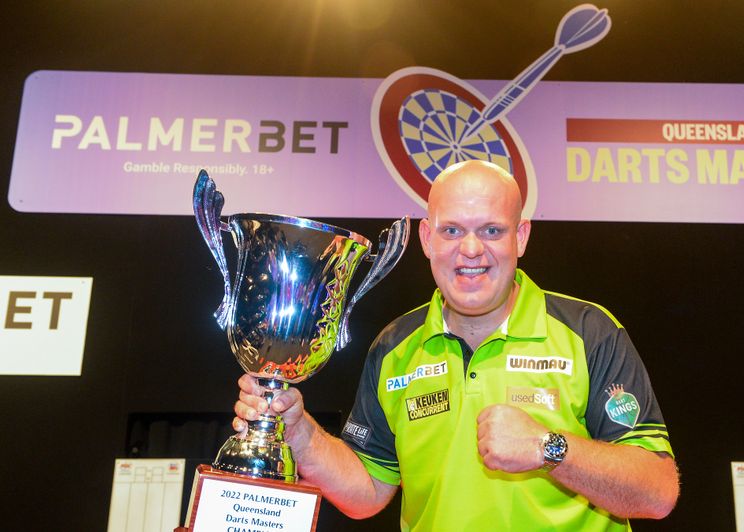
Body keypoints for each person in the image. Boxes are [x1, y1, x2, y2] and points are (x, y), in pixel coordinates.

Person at [234, 160, 679, 530]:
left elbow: (657, 492)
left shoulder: (590, 331)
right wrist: (300, 433)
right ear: (427, 239)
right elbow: (368, 493)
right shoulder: (395, 346)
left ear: (520, 237)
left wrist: (550, 448)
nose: (470, 250)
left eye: (490, 230)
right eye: (451, 231)